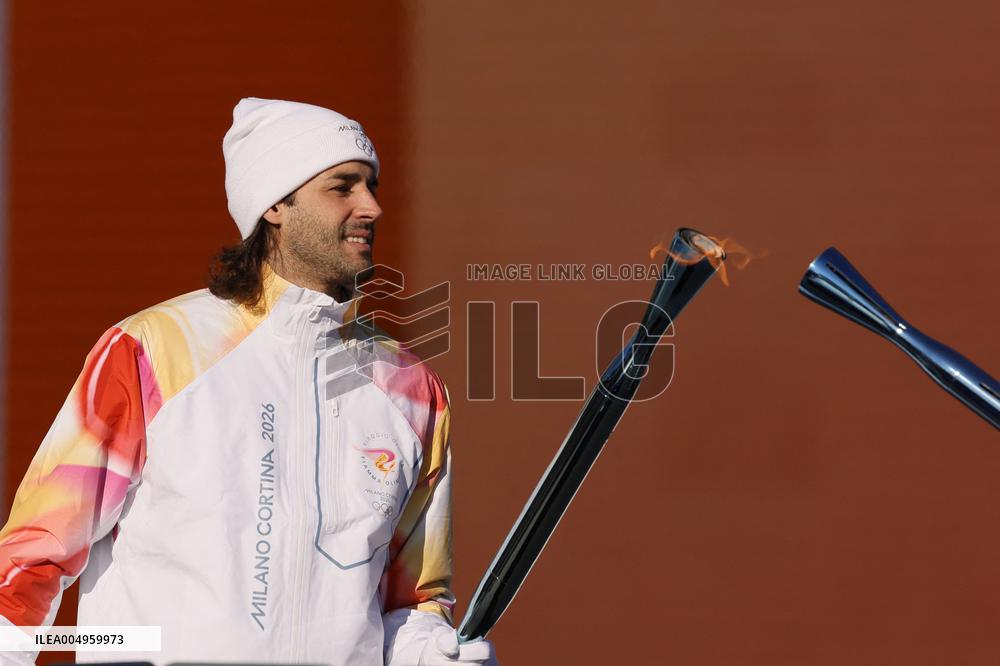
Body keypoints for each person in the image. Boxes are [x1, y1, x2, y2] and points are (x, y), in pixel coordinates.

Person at [0, 98, 498, 666]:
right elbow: (34, 555)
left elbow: (413, 600)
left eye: (372, 185)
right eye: (343, 186)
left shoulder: (411, 390)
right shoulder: (155, 349)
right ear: (276, 205)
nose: (373, 207)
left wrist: (428, 653)